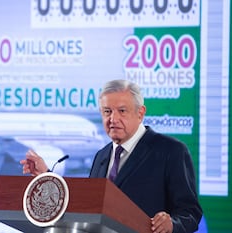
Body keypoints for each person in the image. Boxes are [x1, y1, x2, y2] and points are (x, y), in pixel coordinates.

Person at [20, 79, 202, 233]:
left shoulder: (171, 151)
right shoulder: (101, 156)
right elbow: (88, 205)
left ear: (140, 113)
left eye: (122, 111)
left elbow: (190, 213)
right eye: (107, 112)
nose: (113, 119)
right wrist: (46, 178)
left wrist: (172, 224)